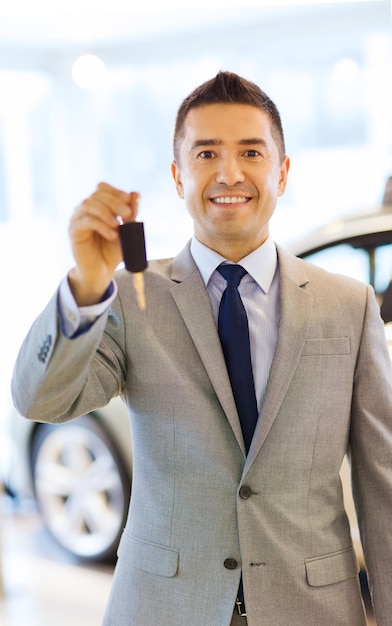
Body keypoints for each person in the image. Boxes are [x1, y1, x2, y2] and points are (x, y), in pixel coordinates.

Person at [12, 71, 392, 626]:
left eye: (251, 152)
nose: (229, 173)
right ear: (177, 175)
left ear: (282, 173)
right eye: (207, 152)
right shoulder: (129, 297)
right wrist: (85, 284)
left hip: (311, 609)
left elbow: (383, 486)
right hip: (165, 608)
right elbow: (39, 401)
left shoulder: (349, 306)